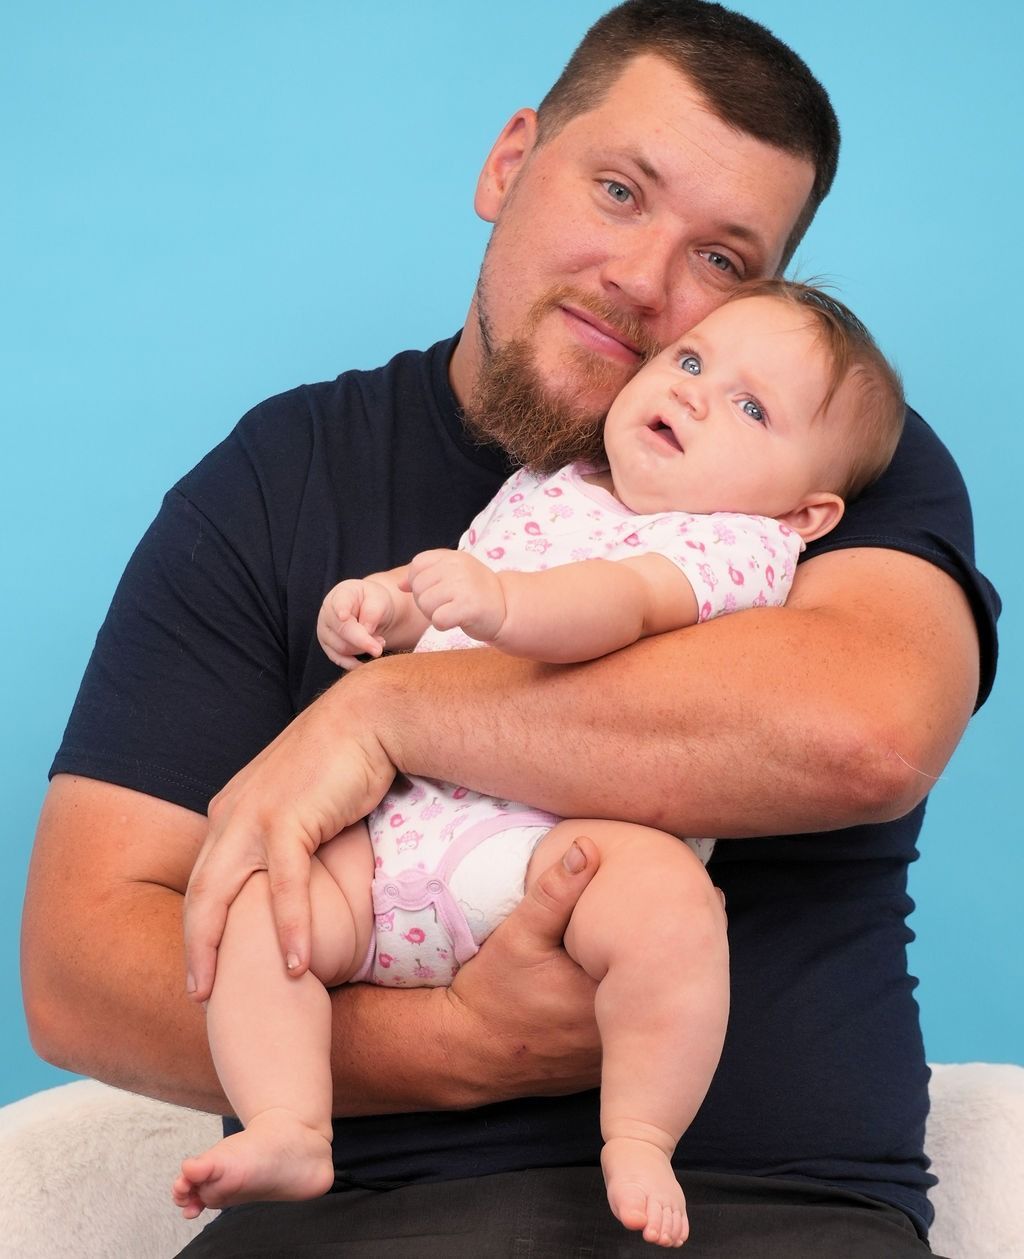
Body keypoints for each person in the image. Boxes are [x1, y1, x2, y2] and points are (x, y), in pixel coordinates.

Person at [23, 3, 998, 1255]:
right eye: (617, 189)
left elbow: (863, 728)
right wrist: (456, 1045)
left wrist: (389, 711)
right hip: (352, 1219)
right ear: (507, 164)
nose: (646, 281)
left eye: (721, 261)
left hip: (769, 1209)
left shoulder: (821, 454)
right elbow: (79, 960)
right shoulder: (283, 474)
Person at [171, 281, 905, 1249]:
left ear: (809, 512)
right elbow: (442, 593)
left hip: (547, 852)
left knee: (668, 906)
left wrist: (501, 604)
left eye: (750, 406)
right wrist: (382, 608)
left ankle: (639, 1132)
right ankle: (290, 1121)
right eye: (690, 361)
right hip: (402, 828)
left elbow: (619, 601)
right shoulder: (548, 484)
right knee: (268, 895)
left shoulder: (735, 544)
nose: (692, 394)